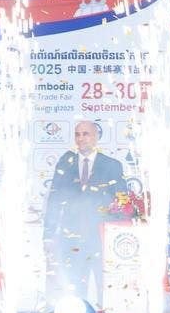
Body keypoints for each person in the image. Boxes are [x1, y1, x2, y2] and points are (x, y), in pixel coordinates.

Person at [43, 119, 126, 301]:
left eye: (86, 134)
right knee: (74, 289)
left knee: (106, 287)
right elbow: (54, 200)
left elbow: (122, 202)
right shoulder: (65, 163)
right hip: (72, 239)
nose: (81, 139)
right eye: (77, 134)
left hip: (102, 239)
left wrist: (117, 235)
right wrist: (48, 235)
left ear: (96, 137)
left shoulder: (112, 165)